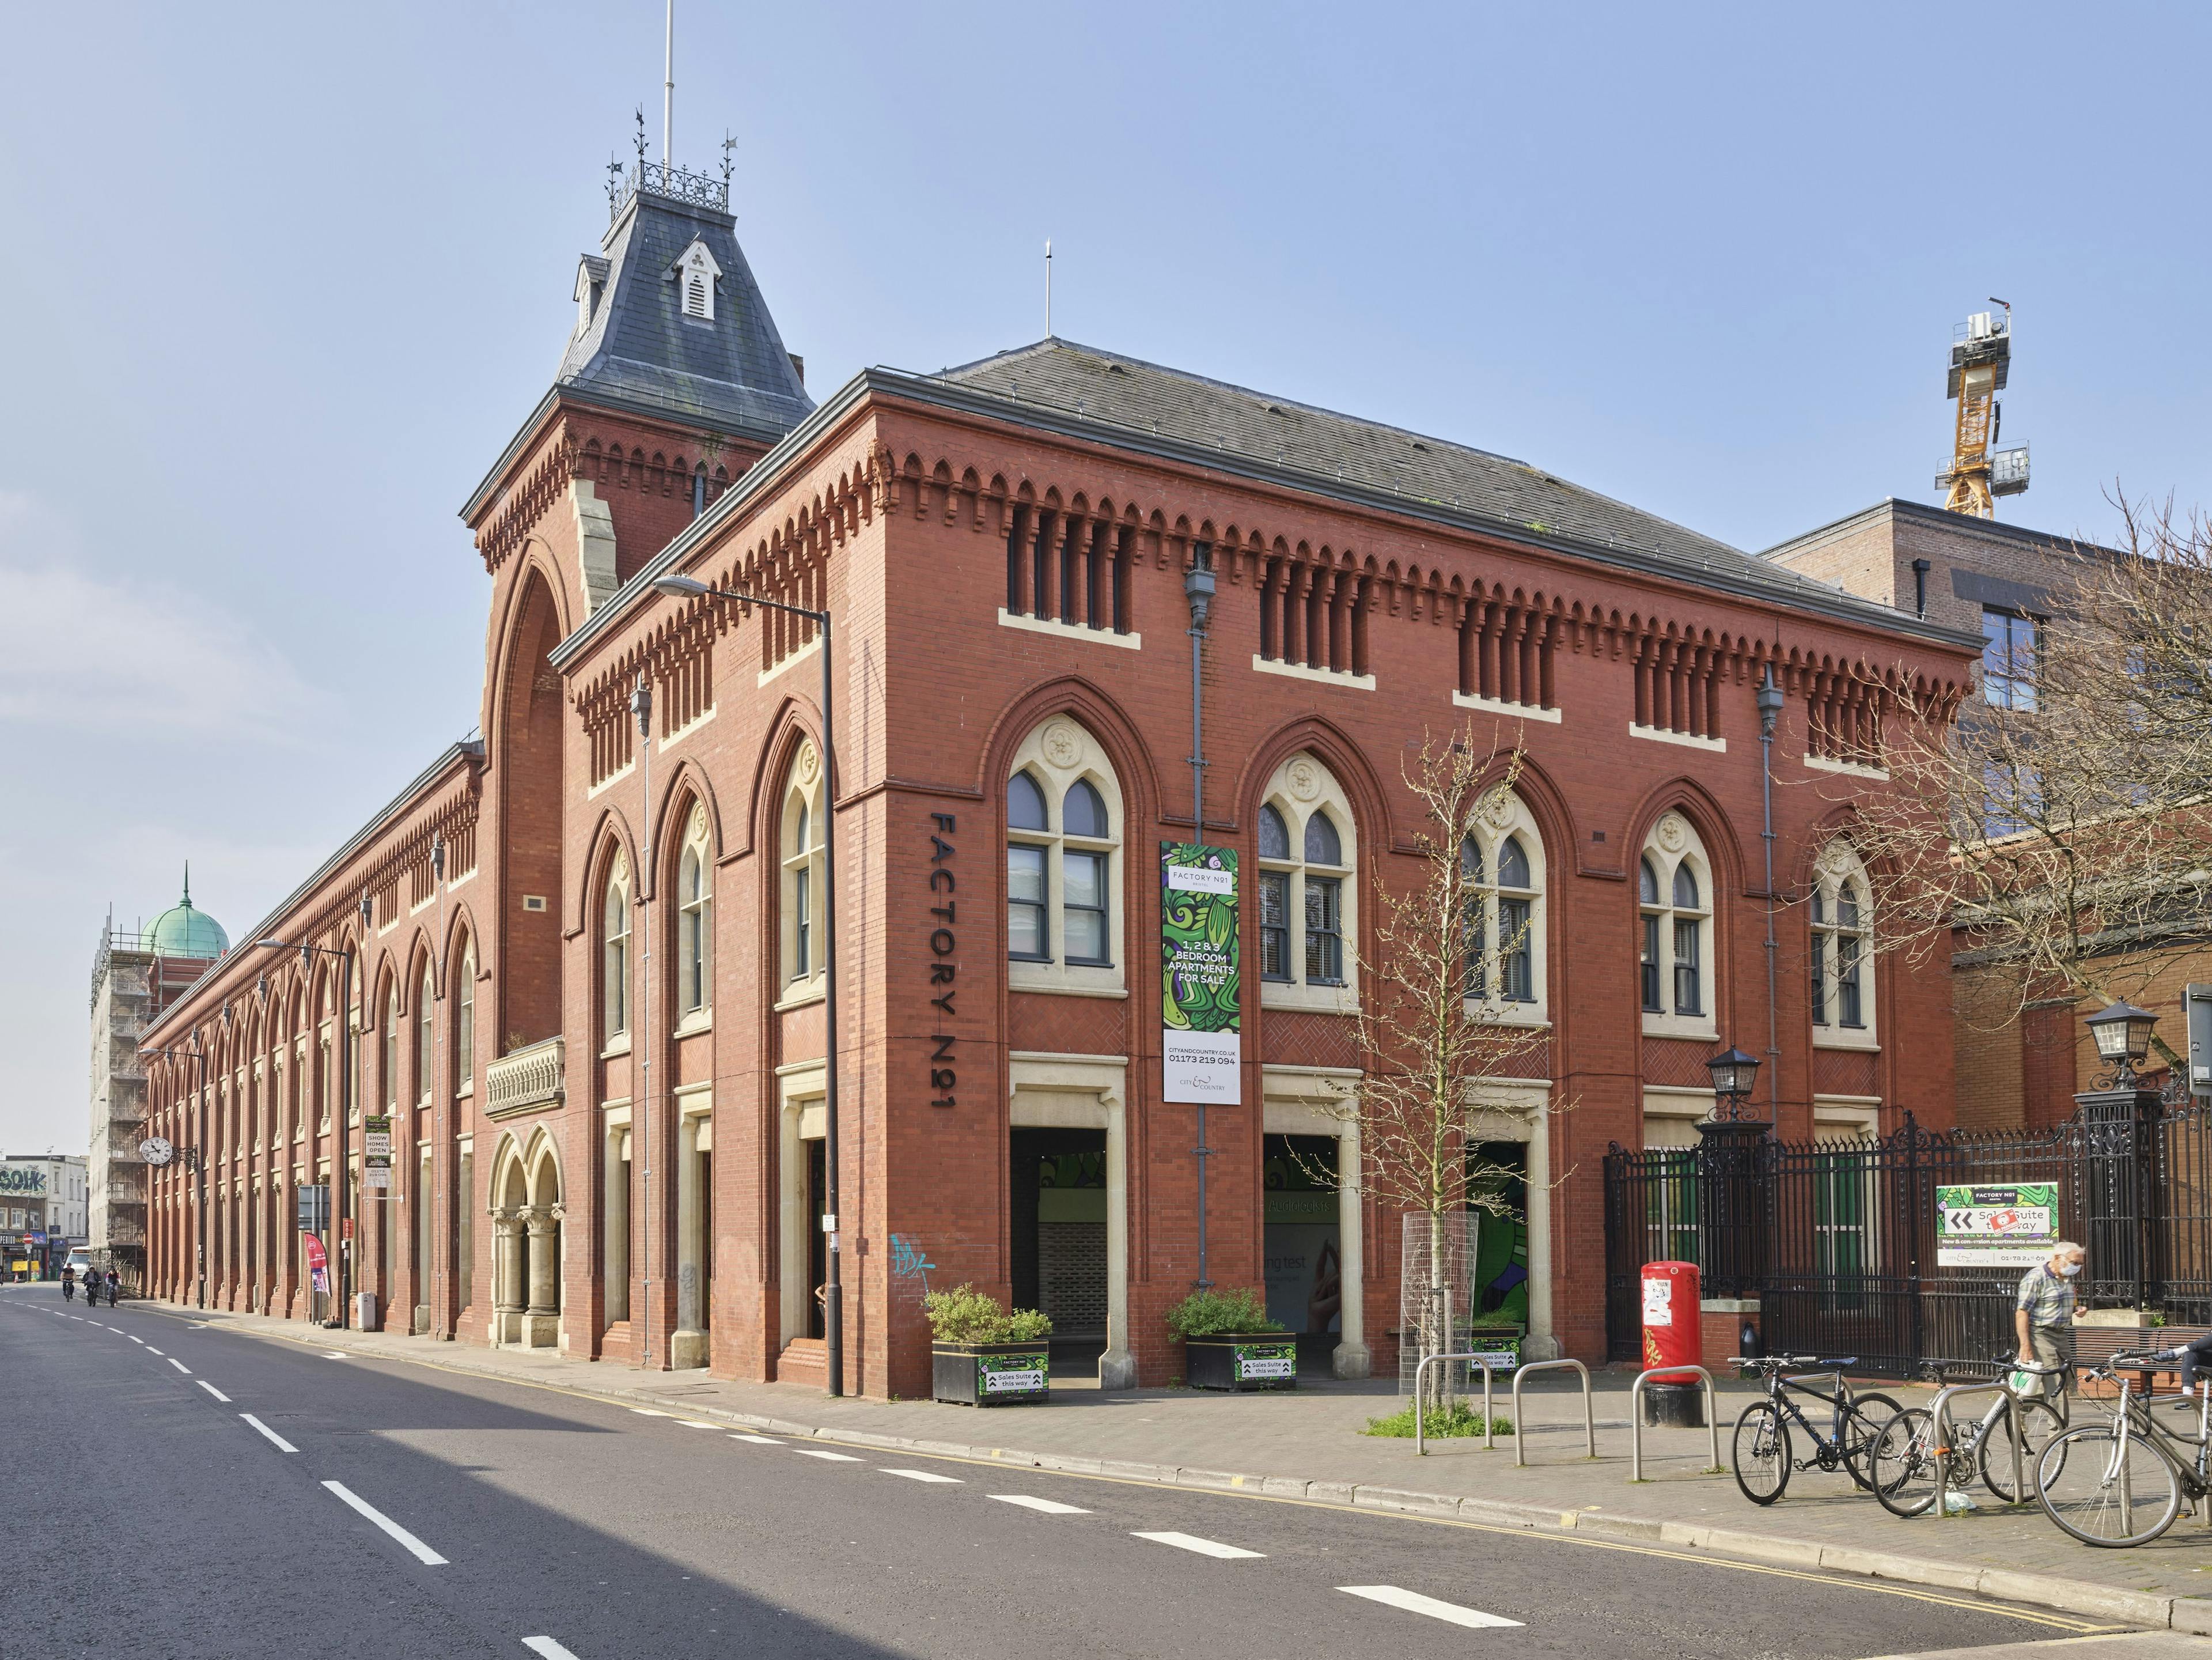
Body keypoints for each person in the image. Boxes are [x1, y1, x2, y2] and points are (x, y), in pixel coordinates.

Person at [2016, 1240, 2085, 1404]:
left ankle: (2019, 1409)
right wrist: (2025, 1345)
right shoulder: (2036, 1278)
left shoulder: (2066, 1278)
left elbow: (2064, 1300)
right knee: (2056, 1382)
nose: (2077, 1267)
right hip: (2041, 1333)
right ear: (2057, 1257)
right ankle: (2058, 1430)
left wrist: (2077, 1308)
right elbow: (2022, 1312)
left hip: (2061, 1334)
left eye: (2080, 1264)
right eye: (2074, 1263)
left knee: (2065, 1378)